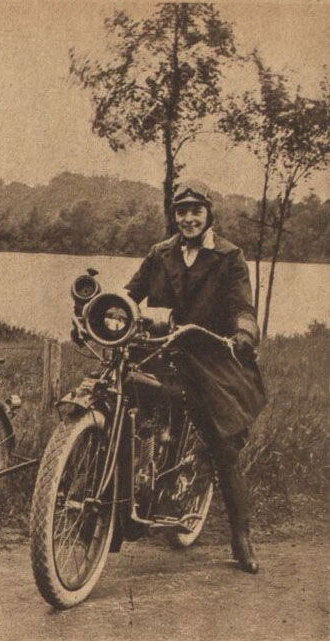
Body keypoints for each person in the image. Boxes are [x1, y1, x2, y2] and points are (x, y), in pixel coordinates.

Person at [125, 186, 267, 574]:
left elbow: (243, 307)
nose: (188, 218)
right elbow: (130, 293)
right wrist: (109, 311)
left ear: (208, 214)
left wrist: (244, 336)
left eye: (196, 211)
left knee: (223, 444)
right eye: (182, 211)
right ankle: (118, 498)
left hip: (209, 353)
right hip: (162, 349)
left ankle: (241, 538)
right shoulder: (160, 252)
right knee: (120, 400)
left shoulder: (229, 255)